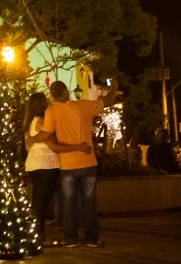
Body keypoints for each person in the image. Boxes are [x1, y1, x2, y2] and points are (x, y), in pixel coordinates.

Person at [35, 79, 119, 248]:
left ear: (53, 95)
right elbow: (108, 101)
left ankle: (70, 238)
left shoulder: (51, 111)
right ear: (66, 92)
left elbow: (45, 134)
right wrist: (114, 87)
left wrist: (30, 140)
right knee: (89, 202)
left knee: (68, 202)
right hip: (87, 162)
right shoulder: (82, 106)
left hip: (67, 165)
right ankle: (91, 238)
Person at [23, 92, 60, 250]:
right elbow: (49, 137)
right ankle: (37, 235)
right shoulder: (42, 121)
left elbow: (27, 146)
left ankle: (37, 234)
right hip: (46, 164)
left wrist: (33, 139)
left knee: (39, 201)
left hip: (35, 164)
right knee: (41, 203)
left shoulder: (29, 123)